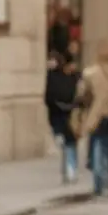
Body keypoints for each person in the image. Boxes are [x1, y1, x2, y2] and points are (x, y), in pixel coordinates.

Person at [75, 41, 108, 194]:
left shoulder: (89, 73)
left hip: (94, 114)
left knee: (96, 147)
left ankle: (98, 185)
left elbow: (81, 93)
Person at [45, 50, 80, 180]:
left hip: (67, 114)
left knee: (69, 142)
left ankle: (70, 169)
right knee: (68, 142)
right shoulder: (56, 76)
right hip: (61, 114)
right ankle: (70, 169)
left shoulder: (73, 77)